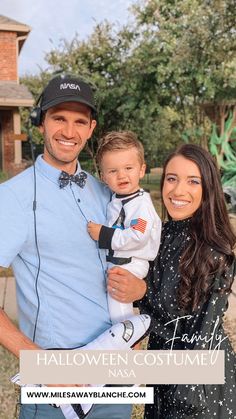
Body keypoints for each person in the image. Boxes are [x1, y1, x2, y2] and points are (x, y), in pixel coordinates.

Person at [0, 74, 147, 419]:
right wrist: (34, 357)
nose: (69, 131)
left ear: (91, 127)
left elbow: (131, 259)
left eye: (79, 121)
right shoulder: (13, 198)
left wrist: (138, 290)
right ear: (41, 123)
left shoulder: (108, 192)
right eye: (59, 118)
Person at [137, 143, 236, 418]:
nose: (178, 190)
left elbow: (196, 331)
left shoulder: (215, 249)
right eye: (172, 178)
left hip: (198, 385)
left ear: (208, 190)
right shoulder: (158, 235)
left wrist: (142, 292)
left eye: (193, 181)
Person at [87, 131, 161, 323]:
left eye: (129, 168)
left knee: (117, 302)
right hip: (117, 260)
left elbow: (138, 235)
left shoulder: (141, 205)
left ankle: (126, 337)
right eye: (113, 171)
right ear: (103, 177)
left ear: (141, 170)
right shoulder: (116, 200)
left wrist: (104, 234)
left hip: (132, 263)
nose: (121, 175)